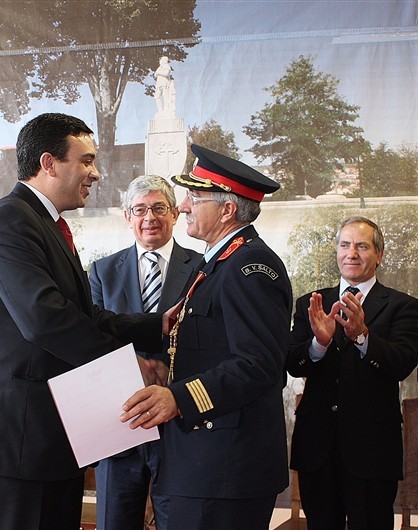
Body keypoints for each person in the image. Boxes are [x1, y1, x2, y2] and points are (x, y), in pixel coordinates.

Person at [0, 113, 166, 530]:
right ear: (48, 163)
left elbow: (81, 314)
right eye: (85, 161)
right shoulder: (9, 220)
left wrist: (154, 326)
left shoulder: (46, 223)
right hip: (14, 436)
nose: (96, 173)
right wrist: (128, 366)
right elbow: (45, 319)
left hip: (50, 435)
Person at [121, 144, 292, 529]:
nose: (182, 206)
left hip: (226, 471)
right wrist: (163, 373)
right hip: (202, 463)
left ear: (228, 209)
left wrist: (178, 397)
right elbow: (212, 350)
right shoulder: (217, 261)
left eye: (194, 198)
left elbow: (258, 365)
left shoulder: (250, 266)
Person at [286, 216, 418, 530]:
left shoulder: (402, 305)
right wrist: (319, 343)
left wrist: (362, 336)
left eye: (362, 246)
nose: (352, 253)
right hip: (317, 446)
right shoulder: (311, 303)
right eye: (345, 245)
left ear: (380, 254)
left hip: (372, 449)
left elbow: (402, 363)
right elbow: (293, 363)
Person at [89, 175, 202, 529]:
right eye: (140, 210)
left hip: (181, 424)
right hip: (121, 422)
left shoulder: (203, 267)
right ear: (127, 217)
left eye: (158, 208)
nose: (149, 217)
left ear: (173, 214)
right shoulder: (102, 271)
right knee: (114, 520)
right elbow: (92, 338)